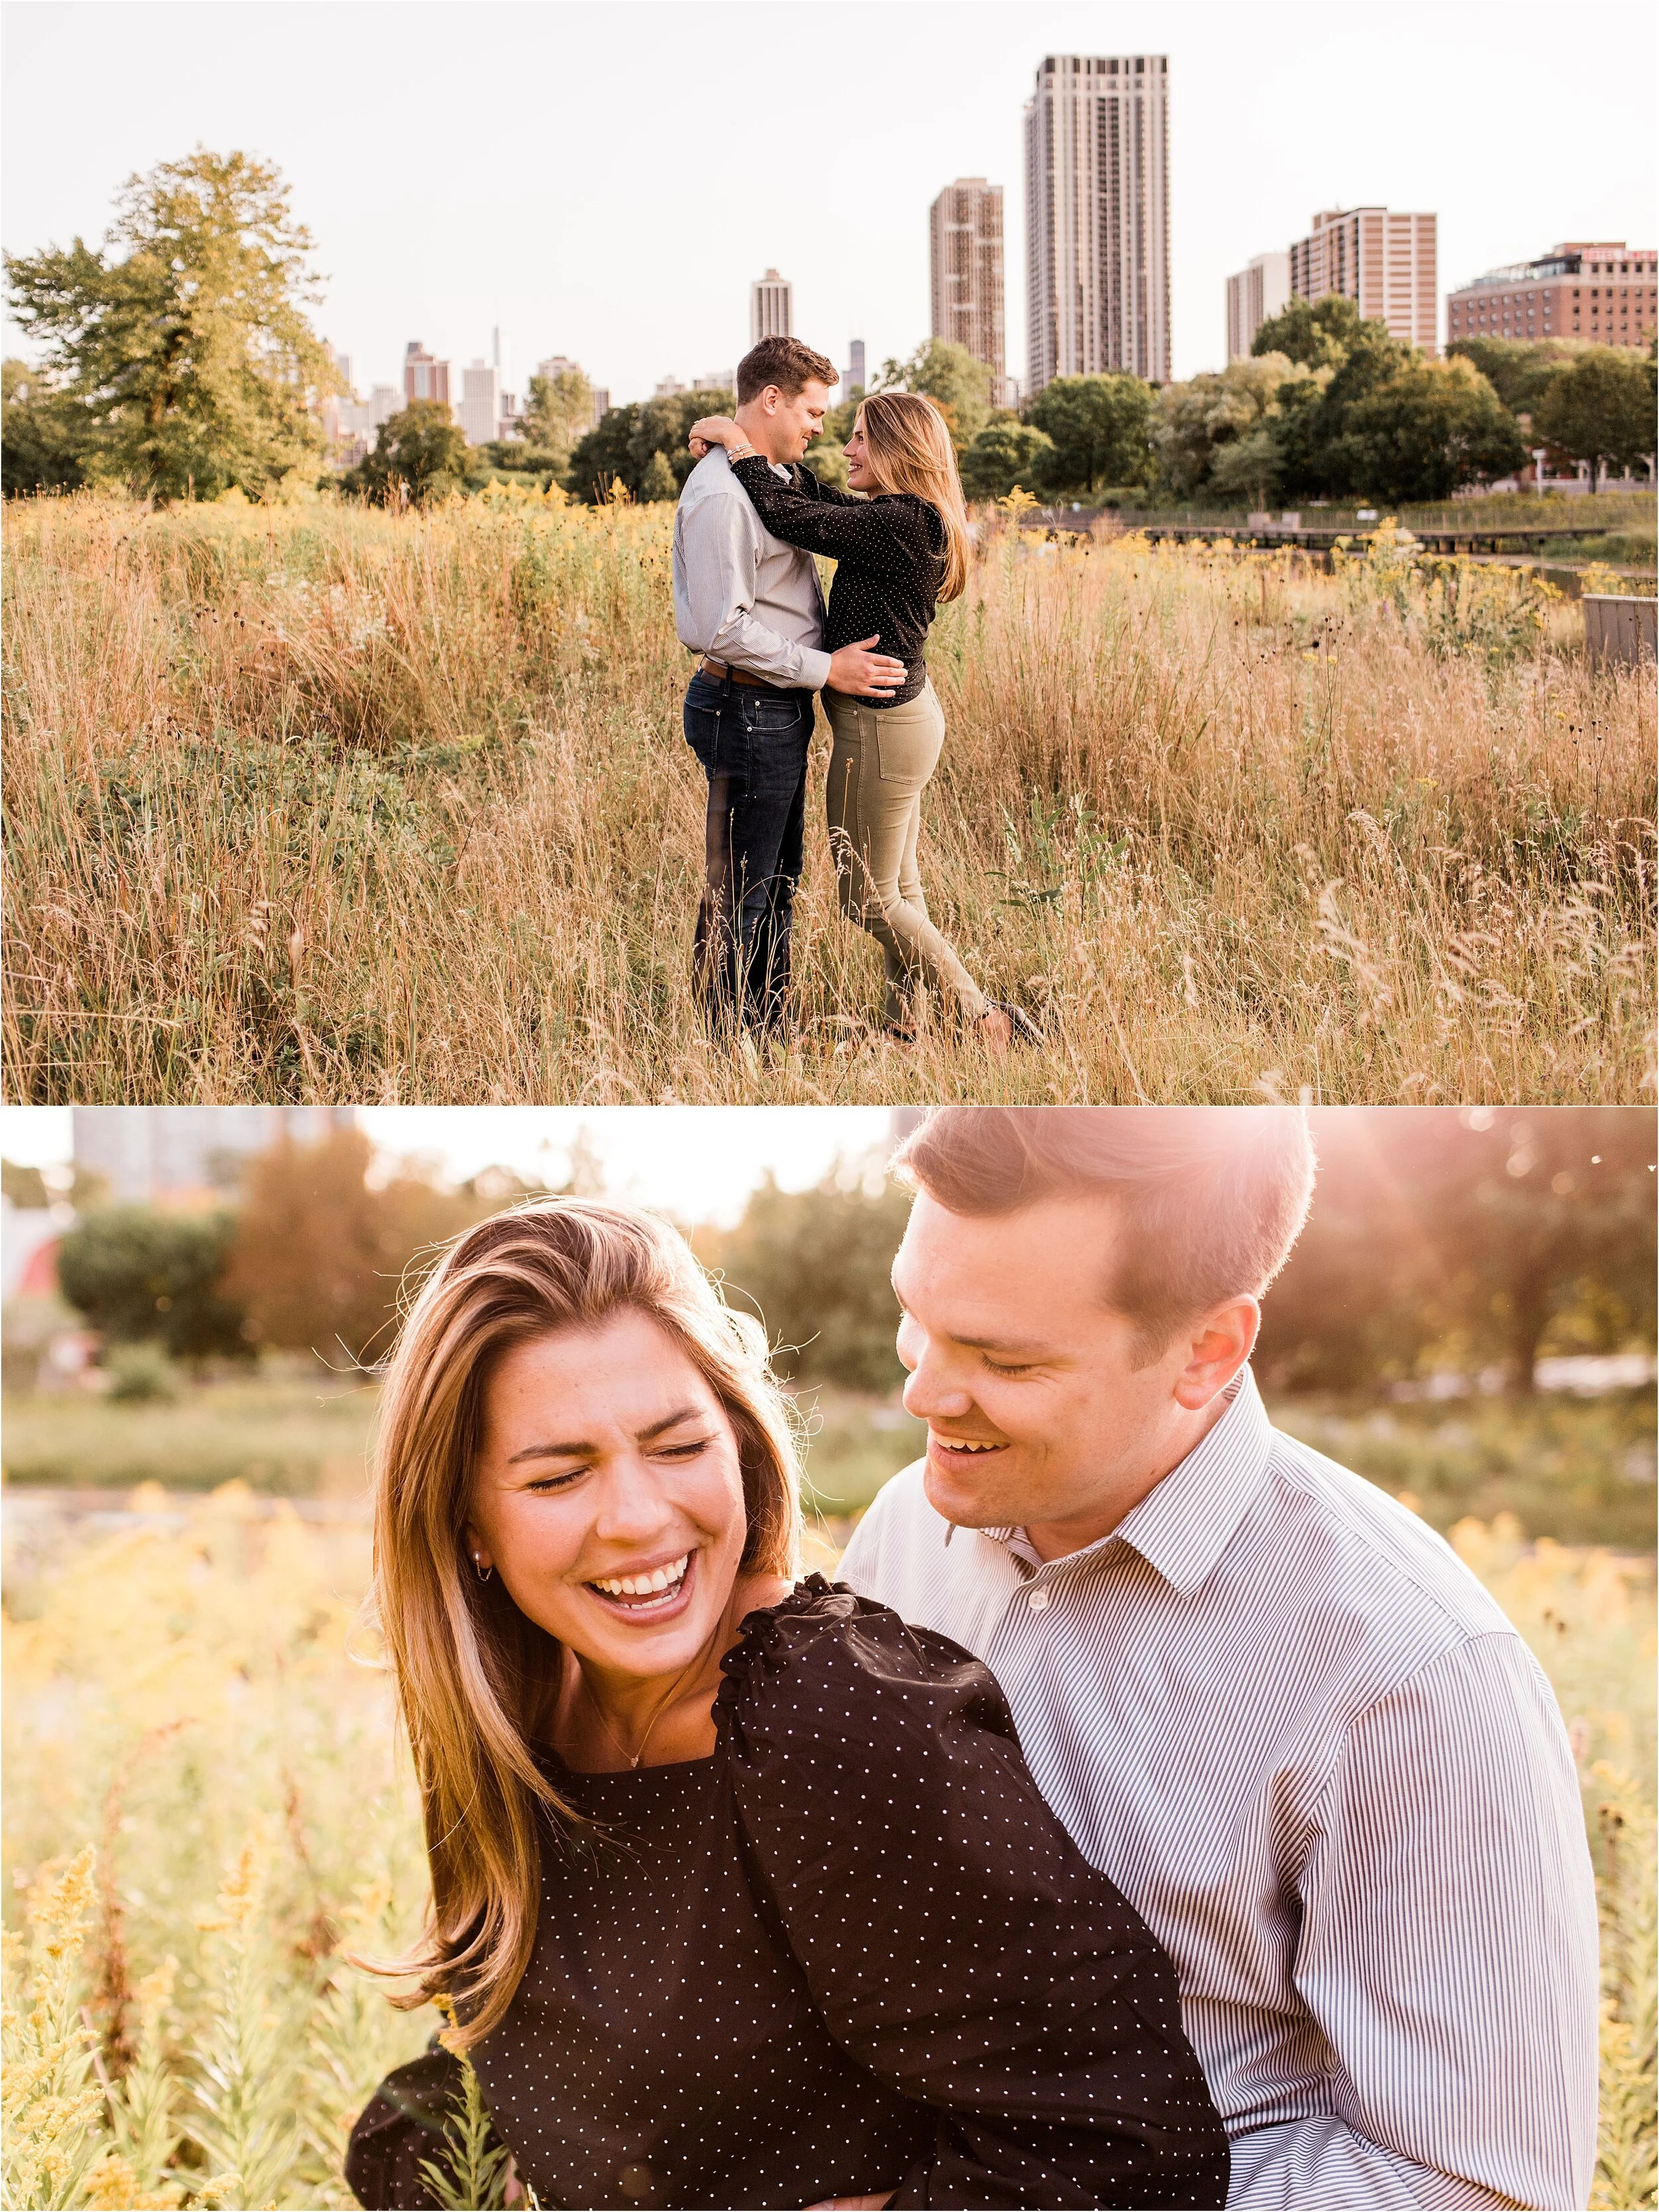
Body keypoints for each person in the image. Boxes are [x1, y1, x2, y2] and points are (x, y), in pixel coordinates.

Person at [344, 1199, 1230, 2212]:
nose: (637, 1518)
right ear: (470, 1529)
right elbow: (471, 2085)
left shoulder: (829, 1719)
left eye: (677, 1447)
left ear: (741, 1446)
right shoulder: (517, 1711)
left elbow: (1134, 2151)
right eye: (558, 1476)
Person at [839, 1106, 1601, 2212]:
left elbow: (1479, 2183)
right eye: (919, 1318)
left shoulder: (1417, 1673)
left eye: (1004, 1357)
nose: (924, 1392)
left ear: (1208, 1351)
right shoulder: (906, 1522)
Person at [688, 396, 1035, 1051]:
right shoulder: (903, 515)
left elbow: (790, 514)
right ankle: (909, 1024)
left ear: (897, 449)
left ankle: (983, 1019)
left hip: (881, 731)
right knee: (899, 886)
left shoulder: (905, 522)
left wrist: (739, 445)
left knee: (866, 897)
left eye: (858, 440)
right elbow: (814, 499)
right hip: (900, 724)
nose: (844, 450)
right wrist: (758, 449)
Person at [672, 337, 906, 1043]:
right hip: (745, 702)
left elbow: (814, 515)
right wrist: (825, 670)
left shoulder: (768, 477)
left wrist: (728, 434)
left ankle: (765, 1031)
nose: (820, 426)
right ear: (770, 399)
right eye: (812, 409)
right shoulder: (722, 496)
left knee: (774, 883)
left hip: (771, 705)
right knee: (743, 890)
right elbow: (723, 629)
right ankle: (728, 1045)